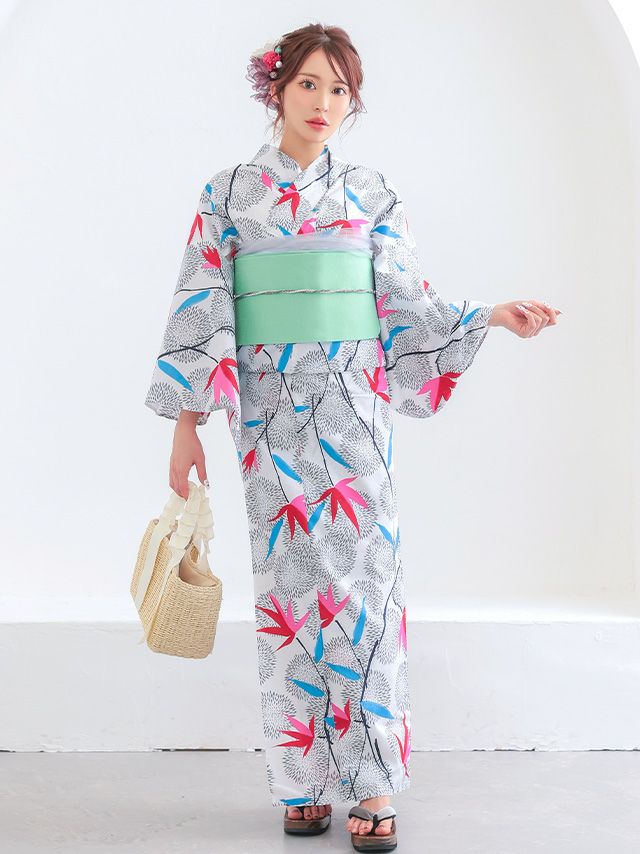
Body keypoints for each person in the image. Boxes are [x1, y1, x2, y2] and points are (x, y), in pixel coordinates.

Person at [144, 22, 561, 852]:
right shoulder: (228, 192)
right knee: (289, 594)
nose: (324, 103)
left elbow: (406, 302)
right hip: (268, 417)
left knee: (366, 589)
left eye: (340, 90)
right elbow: (203, 304)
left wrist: (488, 316)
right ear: (276, 89)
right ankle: (301, 780)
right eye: (309, 84)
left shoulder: (371, 191)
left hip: (355, 416)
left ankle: (372, 784)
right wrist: (187, 425)